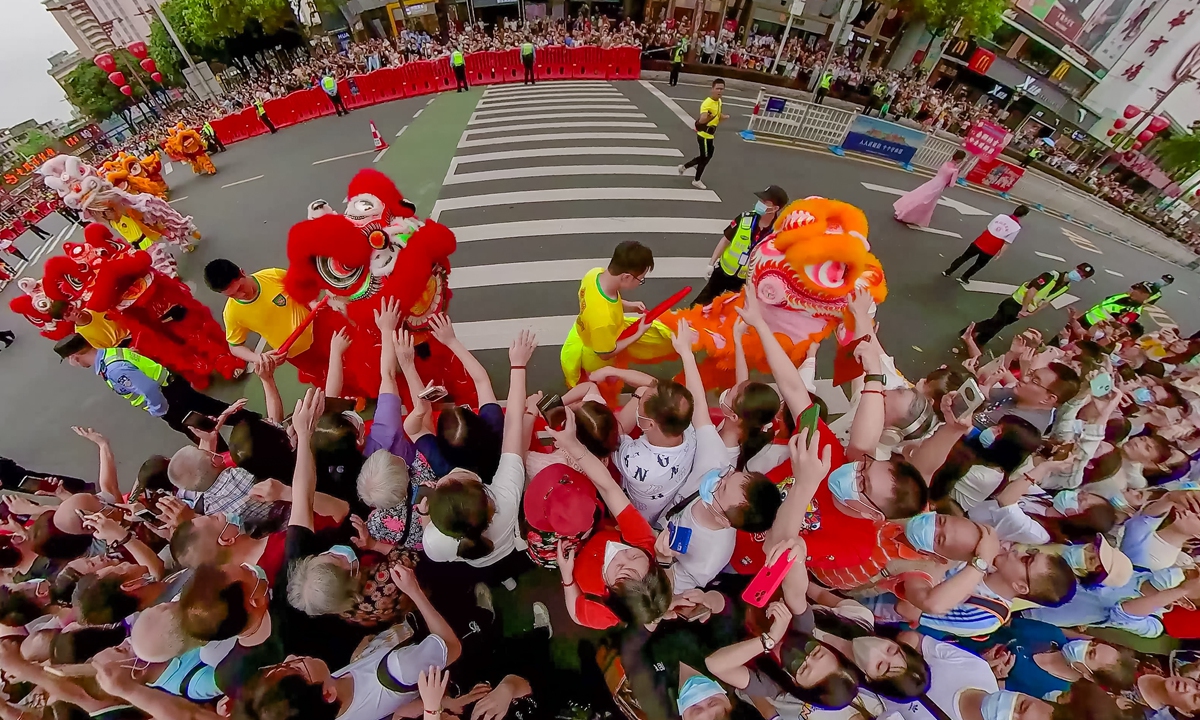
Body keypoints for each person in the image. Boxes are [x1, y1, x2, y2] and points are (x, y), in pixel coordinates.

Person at [53, 334, 245, 444]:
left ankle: (229, 458)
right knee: (213, 408)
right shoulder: (110, 353)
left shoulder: (112, 369)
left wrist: (158, 410)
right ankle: (252, 421)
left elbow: (149, 388)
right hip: (172, 384)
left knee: (200, 433)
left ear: (74, 357)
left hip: (169, 399)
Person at [204, 259, 337, 394]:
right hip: (298, 354)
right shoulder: (231, 314)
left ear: (242, 272)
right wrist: (259, 358)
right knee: (325, 375)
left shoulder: (273, 275)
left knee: (342, 356)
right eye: (232, 295)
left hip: (319, 328)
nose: (241, 295)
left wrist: (312, 302)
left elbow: (301, 287)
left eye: (240, 288)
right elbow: (235, 347)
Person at [559, 240, 675, 389]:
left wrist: (629, 306)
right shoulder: (604, 319)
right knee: (605, 390)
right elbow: (605, 354)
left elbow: (602, 301)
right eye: (640, 279)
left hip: (584, 331)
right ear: (626, 277)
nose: (640, 283)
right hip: (596, 354)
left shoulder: (594, 274)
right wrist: (638, 333)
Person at [693, 185, 787, 307]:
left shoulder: (777, 232)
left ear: (775, 208)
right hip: (723, 271)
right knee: (700, 304)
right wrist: (711, 264)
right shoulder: (745, 218)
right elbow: (725, 240)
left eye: (765, 202)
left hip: (744, 281)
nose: (760, 203)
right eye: (761, 200)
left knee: (729, 309)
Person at [967, 262, 1095, 349]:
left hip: (1026, 309)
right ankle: (970, 332)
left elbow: (1047, 301)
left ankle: (979, 340)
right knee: (996, 322)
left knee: (1001, 325)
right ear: (1075, 268)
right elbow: (1032, 291)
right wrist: (1023, 309)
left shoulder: (1065, 287)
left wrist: (1032, 313)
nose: (1078, 275)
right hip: (1016, 303)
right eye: (1079, 271)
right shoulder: (1051, 276)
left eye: (1082, 276)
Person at [943, 205, 1030, 285]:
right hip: (991, 248)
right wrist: (1000, 254)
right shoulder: (1016, 227)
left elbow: (988, 227)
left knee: (964, 257)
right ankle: (964, 277)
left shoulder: (1001, 216)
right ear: (1023, 215)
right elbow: (1007, 242)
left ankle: (948, 271)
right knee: (979, 264)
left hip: (980, 241)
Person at [893, 149, 967, 227]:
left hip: (933, 182)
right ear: (959, 159)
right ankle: (908, 216)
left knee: (918, 196)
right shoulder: (955, 170)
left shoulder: (945, 163)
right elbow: (951, 184)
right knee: (926, 202)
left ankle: (901, 213)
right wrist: (956, 175)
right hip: (938, 187)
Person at [678, 78, 728, 190]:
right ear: (712, 89)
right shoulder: (707, 103)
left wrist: (723, 117)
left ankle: (684, 167)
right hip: (703, 135)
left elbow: (718, 114)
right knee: (704, 157)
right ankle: (696, 180)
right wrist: (708, 117)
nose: (720, 91)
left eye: (722, 89)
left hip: (711, 135)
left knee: (707, 156)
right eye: (717, 88)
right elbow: (701, 120)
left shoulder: (719, 101)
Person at [1081, 283, 1153, 328]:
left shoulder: (1134, 310)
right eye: (1137, 289)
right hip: (1085, 317)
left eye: (1140, 292)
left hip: (1095, 326)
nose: (1135, 291)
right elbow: (1103, 305)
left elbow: (1120, 324)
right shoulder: (1124, 296)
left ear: (1145, 296)